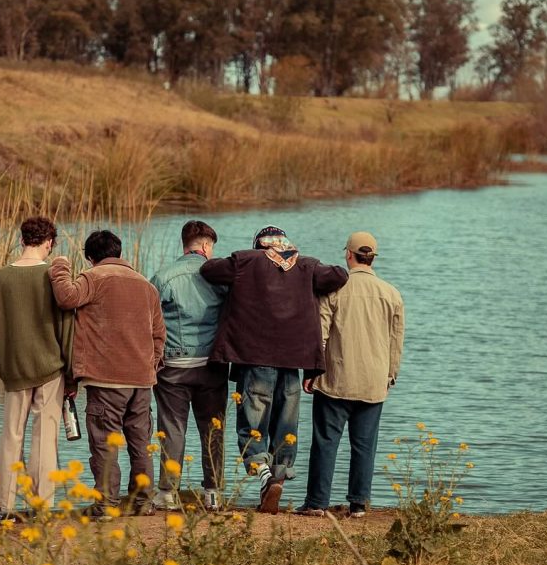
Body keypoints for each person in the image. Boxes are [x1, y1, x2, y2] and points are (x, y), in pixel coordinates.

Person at [200, 225, 348, 514]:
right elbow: (339, 275)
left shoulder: (246, 261)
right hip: (292, 363)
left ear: (259, 246)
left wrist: (248, 259)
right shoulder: (306, 266)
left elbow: (209, 270)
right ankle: (276, 481)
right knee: (285, 426)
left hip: (255, 359)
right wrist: (301, 261)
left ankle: (265, 476)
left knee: (253, 424)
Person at [49, 230, 166, 516]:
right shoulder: (146, 285)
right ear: (119, 252)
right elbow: (159, 335)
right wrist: (150, 367)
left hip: (106, 380)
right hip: (142, 382)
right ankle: (143, 503)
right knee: (140, 444)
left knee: (104, 445)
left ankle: (106, 505)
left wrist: (59, 266)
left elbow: (66, 297)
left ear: (90, 257)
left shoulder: (93, 278)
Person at [297, 231, 405, 518]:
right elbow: (396, 342)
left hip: (336, 379)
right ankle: (359, 504)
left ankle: (316, 503)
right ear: (372, 258)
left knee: (325, 442)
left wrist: (312, 372)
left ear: (348, 254)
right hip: (373, 383)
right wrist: (390, 376)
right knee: (364, 446)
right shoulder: (392, 294)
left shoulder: (335, 290)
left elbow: (320, 335)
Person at [0, 216, 74, 522]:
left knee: (11, 435)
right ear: (49, 243)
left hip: (13, 368)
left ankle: (3, 507)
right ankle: (40, 505)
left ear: (21, 240)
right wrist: (72, 370)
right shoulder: (53, 277)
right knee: (45, 436)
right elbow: (67, 327)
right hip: (50, 367)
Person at [150, 220, 228, 512]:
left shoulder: (163, 277)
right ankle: (213, 493)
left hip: (173, 365)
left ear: (185, 245)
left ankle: (167, 492)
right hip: (211, 365)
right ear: (206, 246)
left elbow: (149, 320)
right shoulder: (220, 278)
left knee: (172, 428)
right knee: (213, 429)